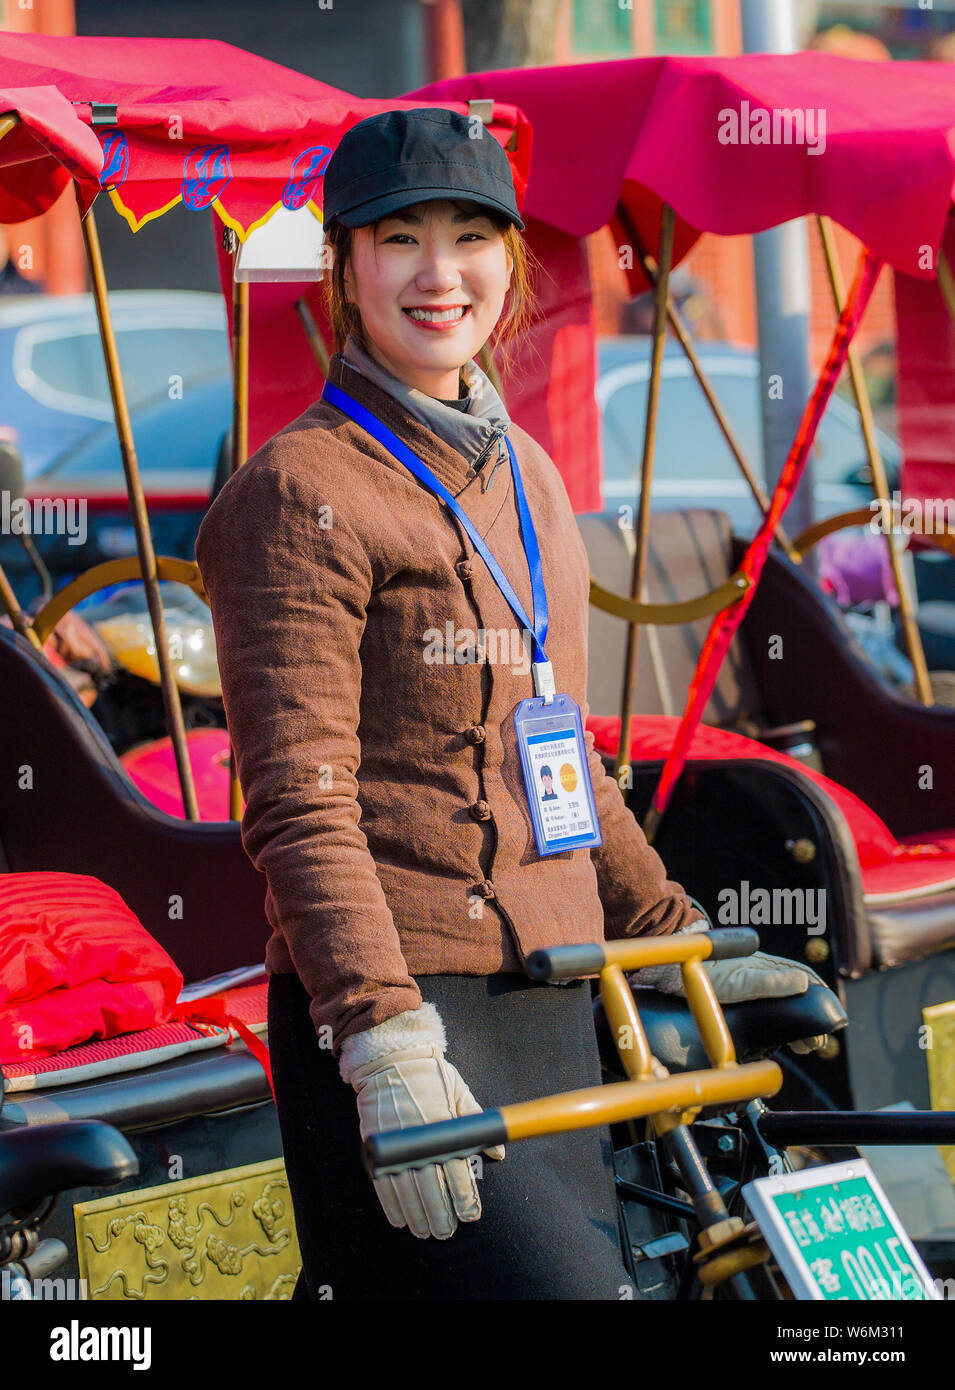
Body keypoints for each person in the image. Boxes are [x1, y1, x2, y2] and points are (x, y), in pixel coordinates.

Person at [194, 108, 826, 1301]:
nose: (441, 273)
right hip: (404, 1011)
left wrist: (667, 924)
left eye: (473, 235)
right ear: (345, 268)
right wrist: (382, 1035)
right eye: (400, 239)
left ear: (511, 263)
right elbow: (298, 805)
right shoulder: (297, 491)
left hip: (556, 991)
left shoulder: (528, 473)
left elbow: (564, 758)